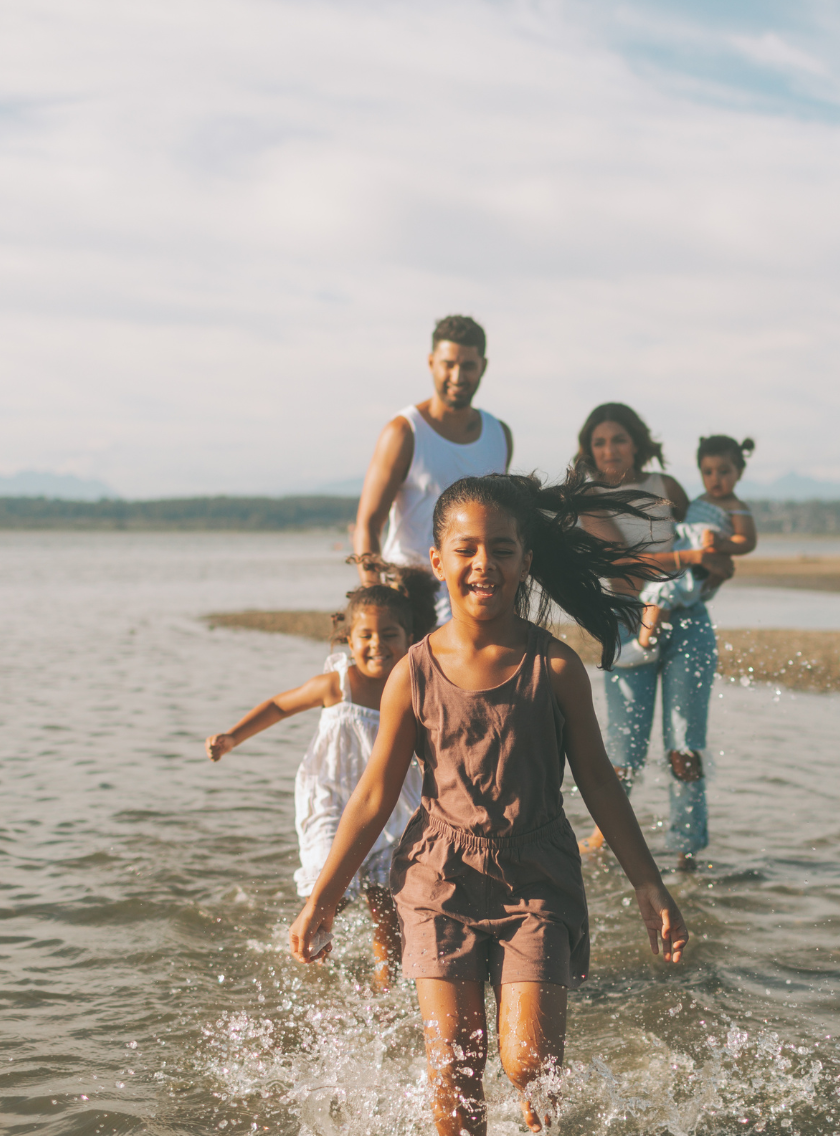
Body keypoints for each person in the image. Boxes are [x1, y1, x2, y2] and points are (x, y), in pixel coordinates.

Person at [289, 474, 687, 1135]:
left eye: (501, 549)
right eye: (466, 549)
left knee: (528, 1063)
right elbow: (374, 794)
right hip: (438, 878)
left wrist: (649, 884)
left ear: (525, 560)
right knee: (453, 1067)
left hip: (539, 880)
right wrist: (323, 895)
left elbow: (596, 780)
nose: (484, 564)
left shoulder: (555, 667)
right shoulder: (411, 672)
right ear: (438, 561)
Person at [208, 572, 436, 989]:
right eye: (365, 635)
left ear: (410, 639)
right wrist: (232, 737)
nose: (376, 645)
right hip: (332, 801)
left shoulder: (414, 690)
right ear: (349, 640)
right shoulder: (338, 684)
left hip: (391, 806)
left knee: (386, 904)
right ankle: (310, 962)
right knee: (331, 887)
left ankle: (385, 987)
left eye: (389, 634)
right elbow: (279, 705)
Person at [572, 403, 719, 871]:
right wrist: (693, 559)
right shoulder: (589, 499)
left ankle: (687, 851)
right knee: (624, 752)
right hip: (627, 622)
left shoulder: (667, 487)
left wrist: (711, 565)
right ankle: (602, 841)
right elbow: (624, 566)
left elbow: (710, 544)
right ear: (589, 449)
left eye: (618, 439)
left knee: (684, 745)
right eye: (599, 442)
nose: (610, 449)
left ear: (636, 441)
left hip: (688, 621)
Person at [352, 315, 512, 624]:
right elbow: (368, 525)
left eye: (468, 366)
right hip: (412, 596)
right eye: (448, 364)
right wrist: (376, 602)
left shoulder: (499, 434)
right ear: (431, 362)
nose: (457, 375)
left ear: (483, 367)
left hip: (475, 593)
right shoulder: (404, 432)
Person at [633, 436, 759, 654]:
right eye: (707, 472)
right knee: (657, 591)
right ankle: (651, 642)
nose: (715, 478)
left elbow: (747, 540)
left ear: (739, 471)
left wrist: (724, 543)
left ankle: (643, 646)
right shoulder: (700, 499)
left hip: (700, 568)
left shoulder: (736, 506)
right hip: (684, 558)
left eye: (724, 471)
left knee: (663, 591)